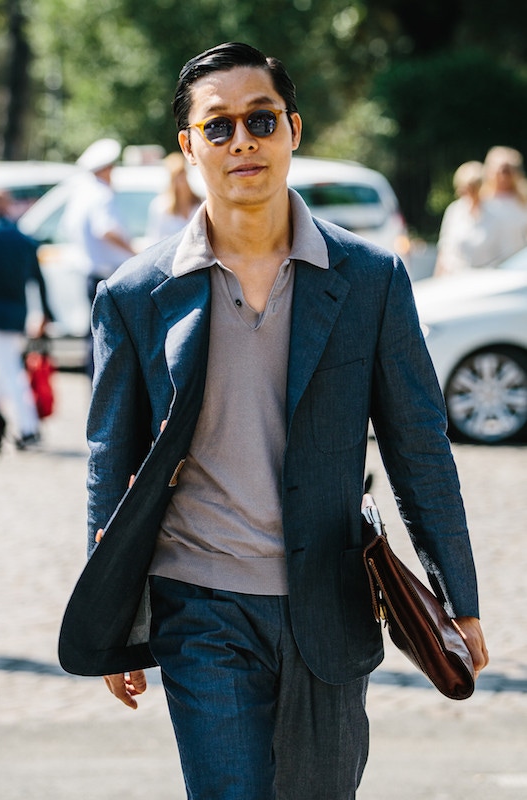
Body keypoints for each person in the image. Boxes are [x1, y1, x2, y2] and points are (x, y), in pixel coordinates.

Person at [59, 42, 489, 800]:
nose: (241, 142)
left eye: (259, 120)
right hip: (199, 608)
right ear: (190, 147)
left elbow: (419, 446)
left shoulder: (369, 279)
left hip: (329, 601)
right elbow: (109, 459)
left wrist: (459, 598)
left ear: (292, 129)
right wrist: (117, 615)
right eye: (217, 127)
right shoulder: (134, 294)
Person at [60, 137, 135, 373]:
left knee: (96, 336)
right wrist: (134, 252)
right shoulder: (102, 195)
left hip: (92, 274)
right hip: (107, 275)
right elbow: (106, 229)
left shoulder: (81, 194)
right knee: (109, 339)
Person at [0, 189, 53, 449]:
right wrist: (45, 312)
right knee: (4, 371)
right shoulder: (22, 238)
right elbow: (38, 279)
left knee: (10, 371)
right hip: (16, 313)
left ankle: (29, 429)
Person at [434, 161, 501, 276]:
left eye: (472, 187)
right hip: (454, 277)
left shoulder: (494, 212)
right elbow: (444, 248)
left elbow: (499, 252)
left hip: (485, 278)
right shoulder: (454, 210)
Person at [481, 145, 527, 262]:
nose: (503, 176)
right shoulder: (482, 202)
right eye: (499, 171)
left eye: (507, 171)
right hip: (485, 267)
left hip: (516, 267)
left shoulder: (522, 202)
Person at [145, 151, 201, 243]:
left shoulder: (200, 203)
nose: (181, 180)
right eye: (177, 175)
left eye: (183, 174)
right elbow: (154, 240)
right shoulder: (161, 206)